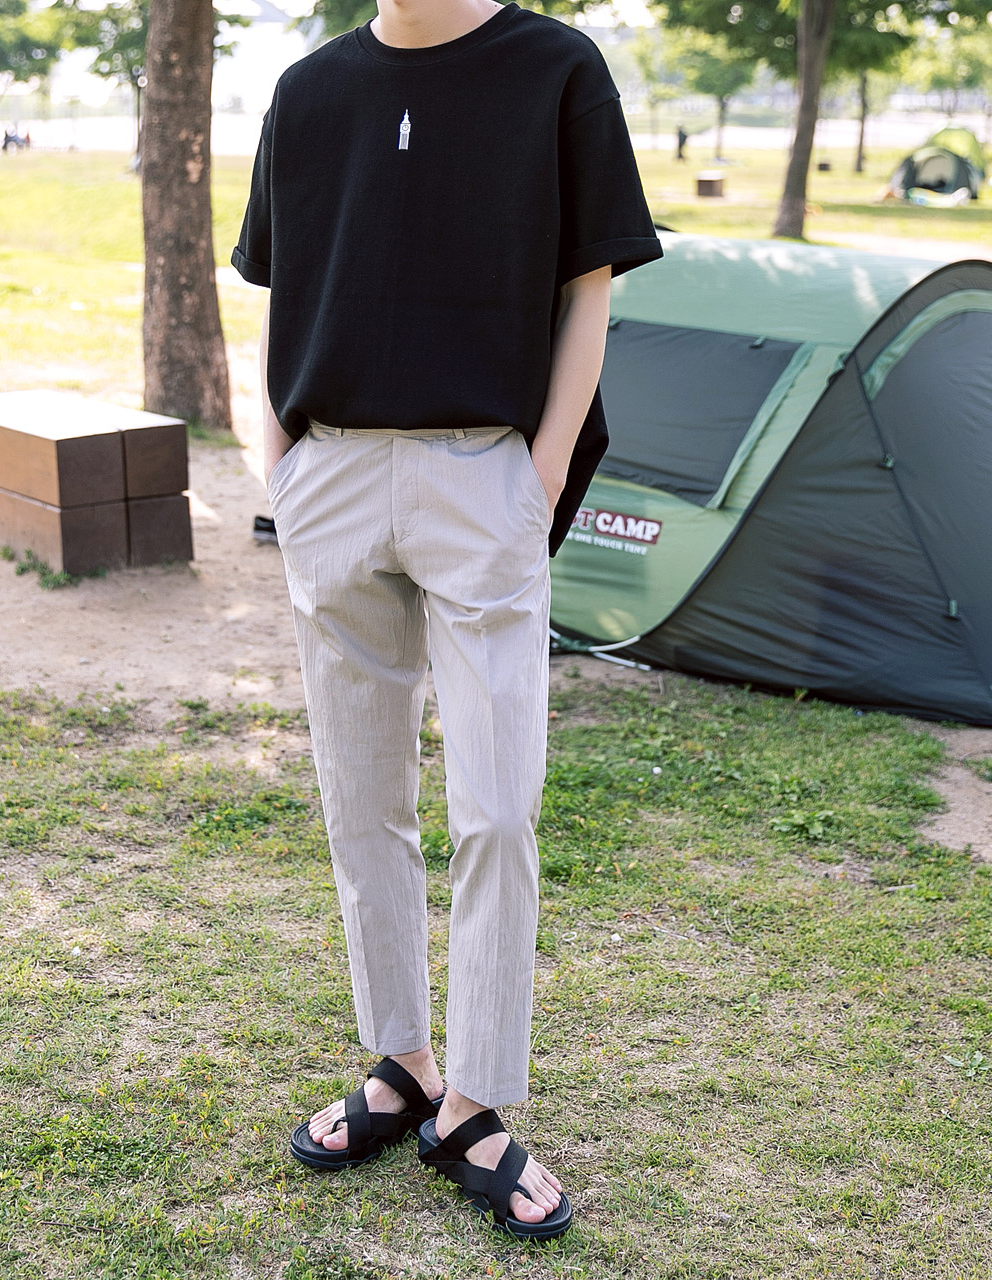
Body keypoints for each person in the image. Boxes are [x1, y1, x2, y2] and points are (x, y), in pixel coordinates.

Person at [231, 0, 661, 1241]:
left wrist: (537, 471)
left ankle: (475, 1099)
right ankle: (403, 1060)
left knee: (495, 804)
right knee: (358, 795)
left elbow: (588, 289)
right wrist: (280, 463)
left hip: (484, 473)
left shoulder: (555, 70)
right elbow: (277, 286)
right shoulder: (307, 91)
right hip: (331, 475)